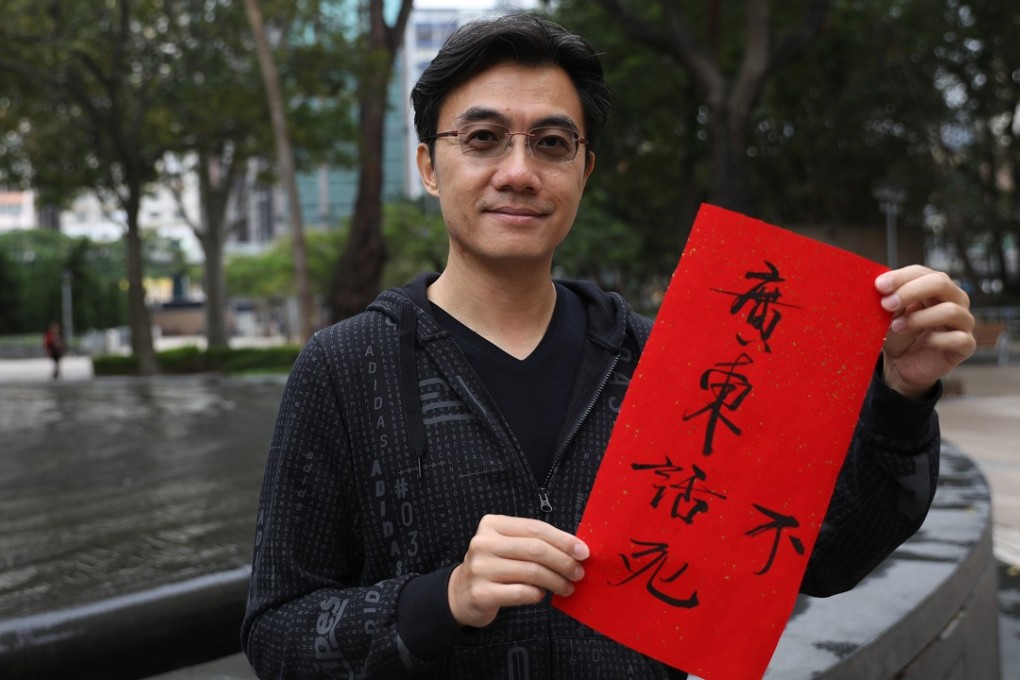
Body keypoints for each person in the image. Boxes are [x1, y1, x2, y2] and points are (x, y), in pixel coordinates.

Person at [241, 14, 976, 679]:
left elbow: (825, 554)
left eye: (552, 143)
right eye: (483, 138)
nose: (519, 172)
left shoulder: (670, 361)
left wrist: (903, 397)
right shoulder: (346, 368)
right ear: (431, 167)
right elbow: (277, 632)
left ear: (584, 169)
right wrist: (445, 598)